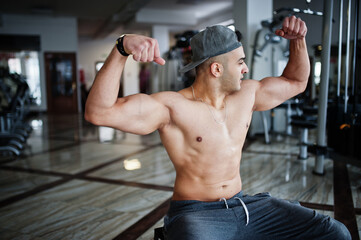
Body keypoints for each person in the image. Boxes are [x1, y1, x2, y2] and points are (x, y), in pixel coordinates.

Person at [85, 16, 351, 240]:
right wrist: (121, 48)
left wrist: (298, 41)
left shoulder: (247, 94)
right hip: (196, 214)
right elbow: (98, 112)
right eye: (240, 62)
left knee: (336, 233)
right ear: (216, 69)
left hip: (246, 206)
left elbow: (295, 81)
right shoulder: (172, 106)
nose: (246, 69)